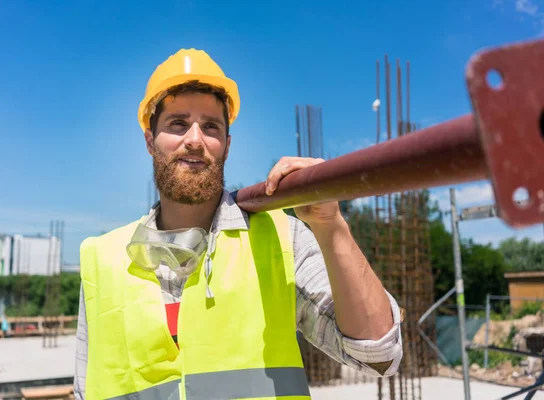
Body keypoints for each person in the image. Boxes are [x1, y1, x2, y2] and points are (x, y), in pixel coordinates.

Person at [74, 48, 403, 400]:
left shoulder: (281, 239)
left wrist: (331, 225)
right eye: (178, 123)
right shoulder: (103, 258)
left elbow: (378, 354)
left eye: (211, 126)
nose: (195, 140)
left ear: (226, 146)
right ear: (150, 141)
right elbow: (85, 390)